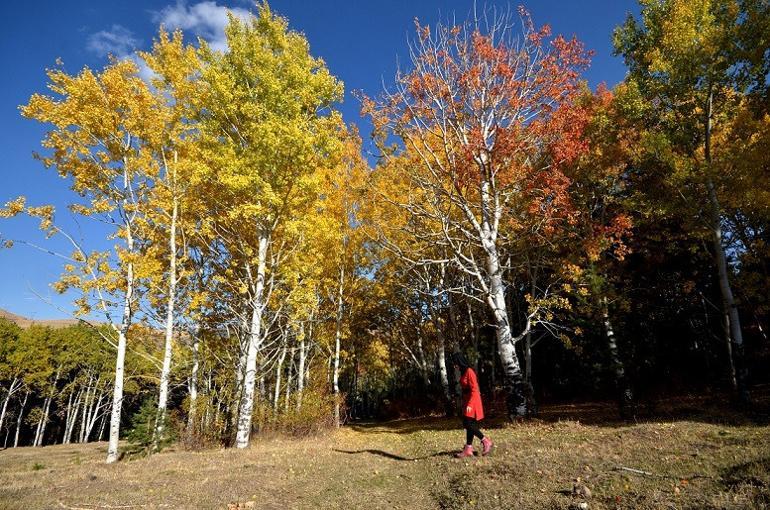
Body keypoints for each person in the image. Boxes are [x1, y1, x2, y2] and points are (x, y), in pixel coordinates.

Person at [452, 351, 493, 458]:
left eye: (455, 362)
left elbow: (475, 389)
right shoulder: (463, 371)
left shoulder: (470, 371)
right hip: (468, 401)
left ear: (460, 362)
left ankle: (485, 441)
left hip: (473, 401)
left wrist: (470, 404)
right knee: (469, 425)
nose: (454, 365)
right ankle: (468, 449)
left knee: (468, 424)